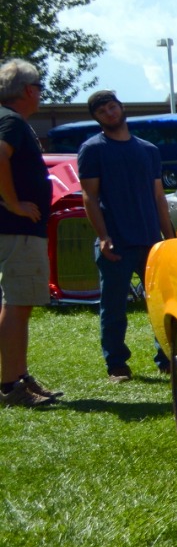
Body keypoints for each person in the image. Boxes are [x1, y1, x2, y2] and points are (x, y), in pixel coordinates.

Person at [78, 90, 177, 382]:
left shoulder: (148, 150)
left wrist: (169, 237)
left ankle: (167, 359)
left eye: (112, 107)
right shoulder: (92, 149)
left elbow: (159, 197)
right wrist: (104, 236)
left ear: (122, 108)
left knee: (162, 304)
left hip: (151, 241)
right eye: (102, 111)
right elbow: (89, 197)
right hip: (116, 242)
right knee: (113, 307)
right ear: (97, 118)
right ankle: (117, 365)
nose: (109, 113)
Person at [0, 58, 61, 407]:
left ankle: (19, 377)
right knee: (18, 302)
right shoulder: (11, 122)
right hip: (17, 229)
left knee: (18, 305)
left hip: (16, 230)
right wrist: (14, 203)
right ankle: (11, 385)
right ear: (27, 89)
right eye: (38, 87)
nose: (39, 94)